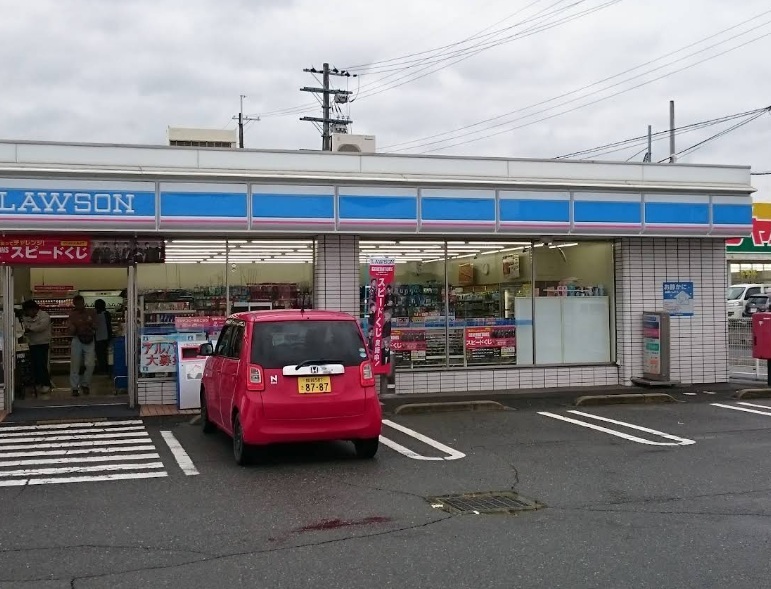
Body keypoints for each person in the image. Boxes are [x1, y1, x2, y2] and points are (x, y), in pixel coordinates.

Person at [21, 300, 52, 398]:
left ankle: (46, 384)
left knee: (41, 364)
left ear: (33, 309)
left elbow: (41, 327)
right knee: (34, 365)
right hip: (32, 343)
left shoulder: (44, 315)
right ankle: (38, 383)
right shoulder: (26, 317)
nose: (27, 313)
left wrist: (30, 328)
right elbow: (24, 327)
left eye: (28, 311)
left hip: (43, 343)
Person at [67, 295, 96, 397]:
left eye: (81, 303)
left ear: (83, 302)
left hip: (89, 339)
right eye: (77, 304)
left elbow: (96, 326)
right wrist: (74, 327)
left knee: (90, 364)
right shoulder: (72, 315)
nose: (80, 305)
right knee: (75, 365)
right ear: (74, 304)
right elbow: (71, 330)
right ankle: (75, 387)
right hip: (77, 339)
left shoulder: (91, 312)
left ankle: (85, 384)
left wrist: (89, 323)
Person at [94, 299, 113, 375]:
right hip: (106, 337)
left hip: (98, 337)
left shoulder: (95, 314)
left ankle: (102, 369)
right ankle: (106, 368)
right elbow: (109, 325)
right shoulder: (107, 314)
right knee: (106, 354)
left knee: (100, 354)